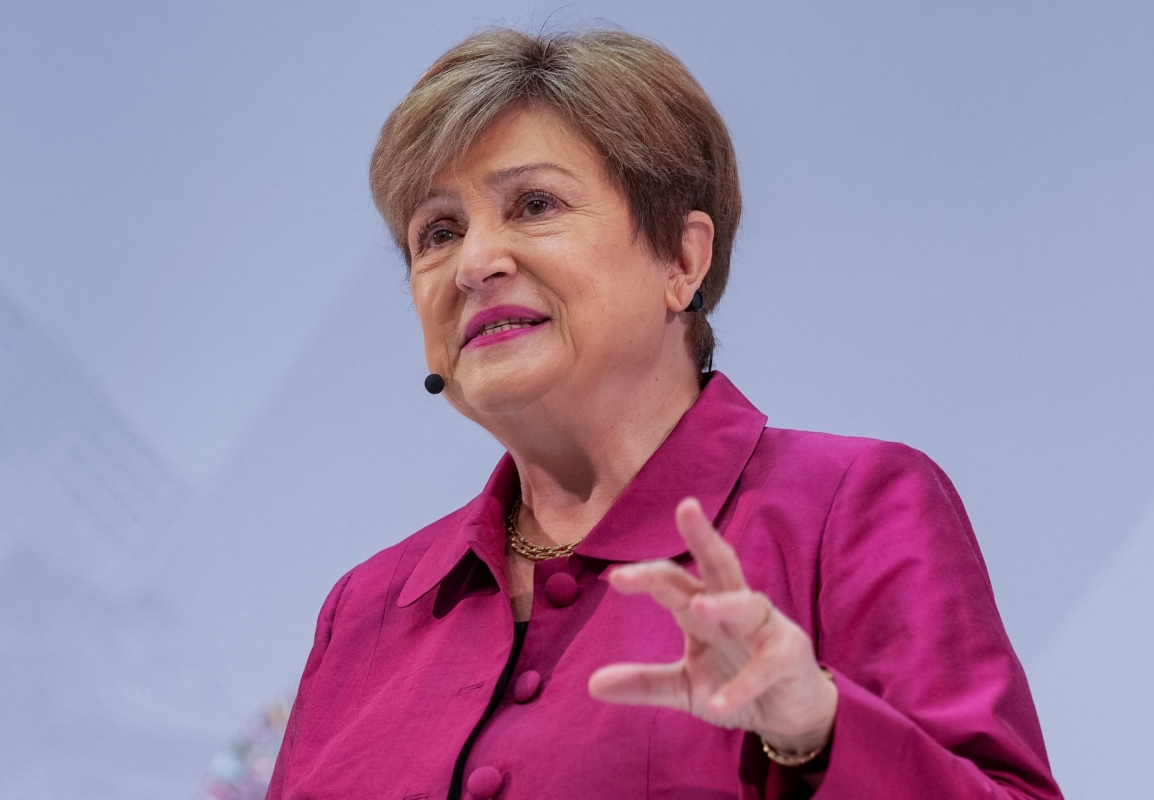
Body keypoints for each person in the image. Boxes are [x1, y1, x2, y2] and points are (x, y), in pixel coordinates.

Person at [266, 28, 1062, 800]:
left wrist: (818, 729)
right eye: (438, 232)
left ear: (683, 259)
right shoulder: (364, 609)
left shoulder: (850, 508)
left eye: (536, 204)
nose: (475, 264)